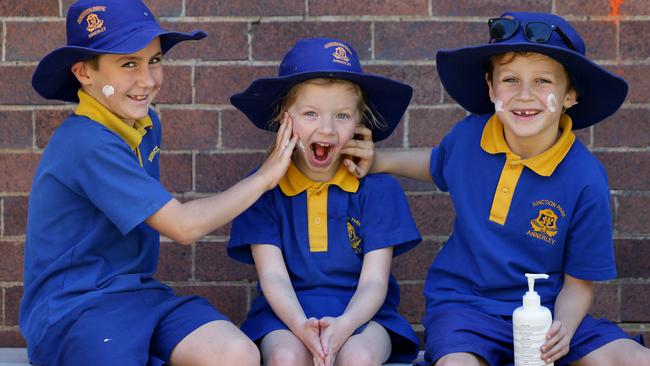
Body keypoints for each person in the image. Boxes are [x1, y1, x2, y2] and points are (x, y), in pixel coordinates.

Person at [19, 0, 302, 365]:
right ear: (84, 73)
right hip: (72, 311)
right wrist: (265, 178)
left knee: (237, 353)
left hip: (137, 295)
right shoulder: (86, 142)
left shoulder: (146, 124)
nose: (148, 80)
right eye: (128, 64)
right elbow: (184, 226)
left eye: (154, 60)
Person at [368, 11, 650, 366]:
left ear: (570, 94)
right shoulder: (470, 136)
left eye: (543, 81)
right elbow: (438, 162)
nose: (525, 95)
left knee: (634, 359)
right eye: (511, 79)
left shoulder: (586, 178)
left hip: (548, 309)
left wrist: (561, 328)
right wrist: (378, 160)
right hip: (467, 308)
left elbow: (579, 284)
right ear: (490, 87)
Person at [227, 37, 422, 366]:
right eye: (311, 113)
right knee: (287, 357)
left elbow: (374, 281)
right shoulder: (260, 190)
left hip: (363, 314)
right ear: (283, 119)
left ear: (359, 123)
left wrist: (345, 326)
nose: (327, 128)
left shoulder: (378, 190)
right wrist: (302, 328)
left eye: (342, 116)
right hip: (285, 315)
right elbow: (273, 278)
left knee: (358, 356)